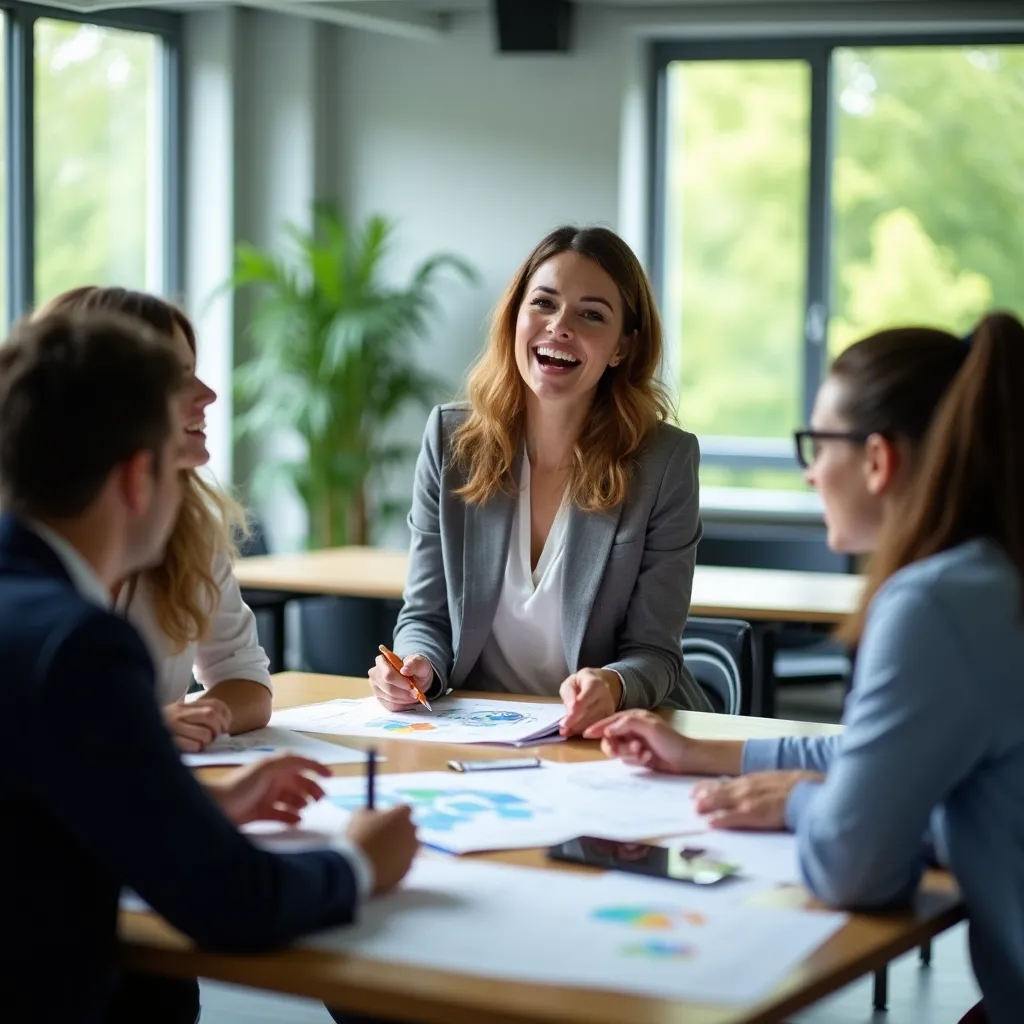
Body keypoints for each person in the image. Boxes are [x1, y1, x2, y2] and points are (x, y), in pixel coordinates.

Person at [590, 313, 1024, 1023]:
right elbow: (883, 753)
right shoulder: (996, 574)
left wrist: (798, 801)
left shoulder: (933, 606)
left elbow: (853, 869)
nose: (808, 469)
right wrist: (706, 753)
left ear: (878, 460)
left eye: (817, 444)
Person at [0, 311, 418, 1024]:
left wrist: (195, 806)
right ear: (137, 479)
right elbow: (232, 902)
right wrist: (359, 863)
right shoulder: (80, 647)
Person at [368, 225, 711, 736]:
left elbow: (655, 653)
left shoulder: (664, 461)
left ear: (621, 347)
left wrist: (612, 683)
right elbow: (426, 615)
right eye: (544, 304)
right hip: (483, 730)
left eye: (591, 314)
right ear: (514, 320)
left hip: (610, 737)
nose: (560, 326)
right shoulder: (451, 440)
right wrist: (419, 665)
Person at [37, 286, 271, 753]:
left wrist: (197, 719)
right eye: (177, 377)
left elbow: (245, 679)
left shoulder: (187, 525)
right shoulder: (28, 548)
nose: (208, 394)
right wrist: (141, 726)